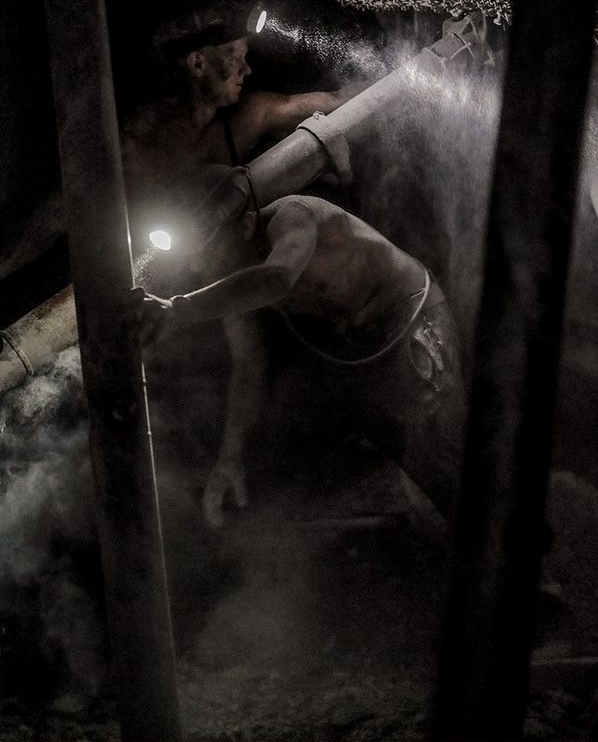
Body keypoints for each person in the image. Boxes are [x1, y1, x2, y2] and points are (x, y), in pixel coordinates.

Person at [0, 1, 374, 313]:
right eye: (235, 55)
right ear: (197, 63)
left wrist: (407, 68)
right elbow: (62, 208)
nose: (247, 69)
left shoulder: (251, 115)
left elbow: (335, 100)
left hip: (227, 265)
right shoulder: (136, 139)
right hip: (148, 276)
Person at [136, 165, 467, 527]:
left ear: (246, 226)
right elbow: (248, 364)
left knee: (441, 455)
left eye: (206, 249)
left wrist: (179, 310)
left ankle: (498, 541)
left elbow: (277, 278)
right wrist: (230, 456)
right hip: (355, 347)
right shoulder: (230, 274)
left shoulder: (294, 216)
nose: (196, 264)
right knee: (394, 456)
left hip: (411, 317)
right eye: (192, 254)